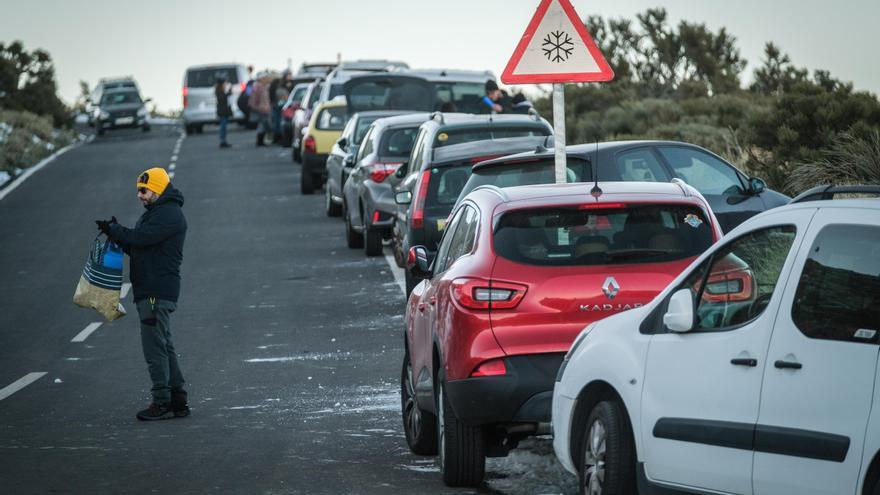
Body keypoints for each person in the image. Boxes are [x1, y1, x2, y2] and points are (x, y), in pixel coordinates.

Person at [95, 168, 189, 421]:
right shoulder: (159, 213)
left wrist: (117, 231)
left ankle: (162, 402)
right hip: (153, 289)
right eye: (138, 190)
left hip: (155, 292)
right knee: (164, 345)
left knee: (154, 349)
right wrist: (115, 233)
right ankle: (177, 400)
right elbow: (140, 247)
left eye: (144, 191)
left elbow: (142, 238)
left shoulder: (168, 214)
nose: (140, 196)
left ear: (157, 189)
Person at [249, 71, 272, 146]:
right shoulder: (257, 86)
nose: (266, 79)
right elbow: (254, 99)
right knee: (262, 125)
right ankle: (260, 141)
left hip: (265, 109)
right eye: (265, 78)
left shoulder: (263, 86)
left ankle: (261, 141)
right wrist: (258, 107)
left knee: (264, 125)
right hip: (261, 109)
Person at [215, 76, 233, 148]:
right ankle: (223, 141)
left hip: (223, 110)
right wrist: (228, 93)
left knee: (224, 126)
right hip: (223, 111)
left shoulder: (220, 90)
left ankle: (224, 140)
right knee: (223, 126)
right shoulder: (219, 91)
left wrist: (228, 93)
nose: (225, 84)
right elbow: (222, 99)